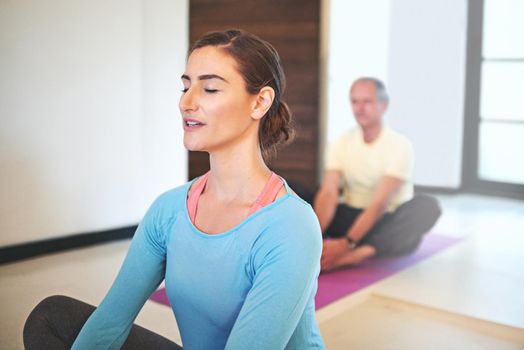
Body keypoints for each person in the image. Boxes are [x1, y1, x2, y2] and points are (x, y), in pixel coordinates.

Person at [23, 29, 325, 349]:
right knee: (52, 317)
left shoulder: (291, 227)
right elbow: (111, 320)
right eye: (185, 86)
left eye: (209, 88)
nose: (186, 102)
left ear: (260, 102)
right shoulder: (168, 210)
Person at [314, 77, 441, 272]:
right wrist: (314, 241)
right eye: (355, 102)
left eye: (367, 101)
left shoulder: (400, 145)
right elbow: (329, 192)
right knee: (298, 191)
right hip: (350, 216)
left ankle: (357, 255)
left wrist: (346, 244)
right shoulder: (341, 142)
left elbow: (379, 204)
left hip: (386, 222)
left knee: (427, 206)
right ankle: (321, 243)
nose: (360, 108)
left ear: (384, 105)